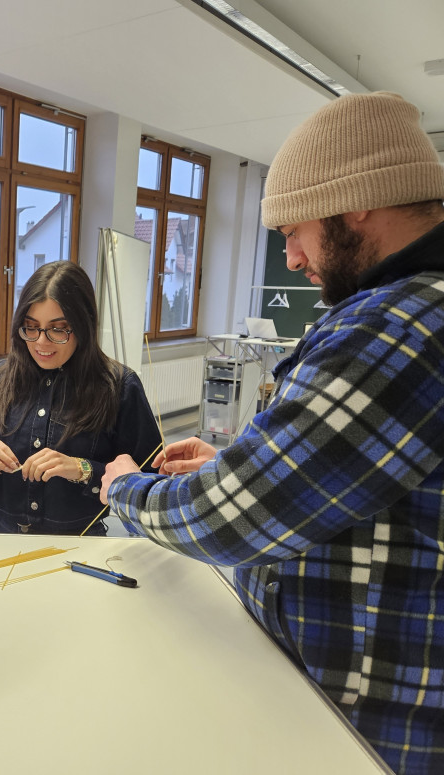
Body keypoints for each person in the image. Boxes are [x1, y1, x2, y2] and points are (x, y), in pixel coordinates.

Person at [100, 92, 444, 774]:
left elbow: (231, 518)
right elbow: (363, 482)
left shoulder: (394, 327)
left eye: (293, 230)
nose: (289, 257)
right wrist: (238, 460)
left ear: (357, 201)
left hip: (365, 734)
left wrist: (126, 489)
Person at [0, 261, 161, 535]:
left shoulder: (118, 386)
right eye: (31, 327)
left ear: (83, 326)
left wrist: (82, 469)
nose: (41, 342)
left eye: (58, 329)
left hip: (81, 540)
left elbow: (152, 485)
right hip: (0, 535)